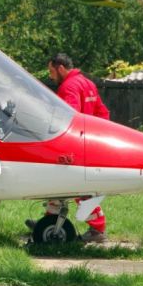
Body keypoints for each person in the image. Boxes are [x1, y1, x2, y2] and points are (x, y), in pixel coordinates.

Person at [25, 53, 110, 243]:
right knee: (57, 185)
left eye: (52, 71)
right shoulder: (86, 83)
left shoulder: (68, 87)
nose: (51, 76)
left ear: (61, 68)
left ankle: (97, 230)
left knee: (78, 187)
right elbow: (102, 112)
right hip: (89, 141)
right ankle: (48, 221)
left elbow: (68, 118)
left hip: (75, 145)